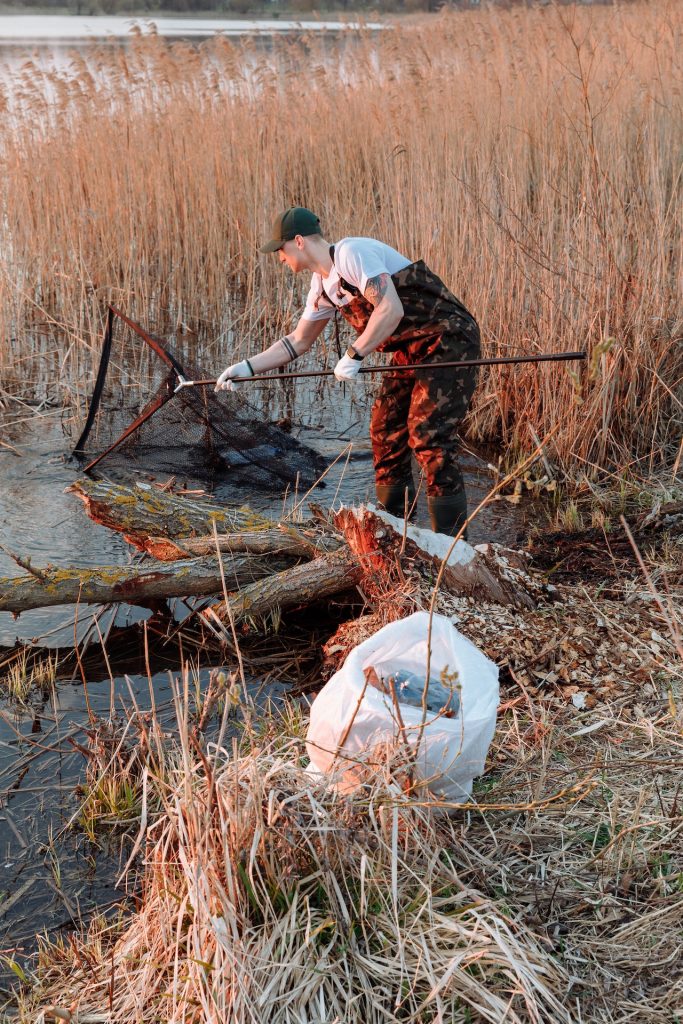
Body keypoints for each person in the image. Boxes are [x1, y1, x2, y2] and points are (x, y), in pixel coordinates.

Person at [216, 207, 480, 537]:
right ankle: (398, 534)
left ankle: (452, 547)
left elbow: (391, 308)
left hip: (449, 338)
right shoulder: (323, 286)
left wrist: (355, 353)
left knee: (429, 435)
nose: (280, 258)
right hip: (411, 350)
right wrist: (246, 368)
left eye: (280, 250)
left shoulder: (351, 254)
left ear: (298, 242)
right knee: (384, 429)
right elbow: (297, 342)